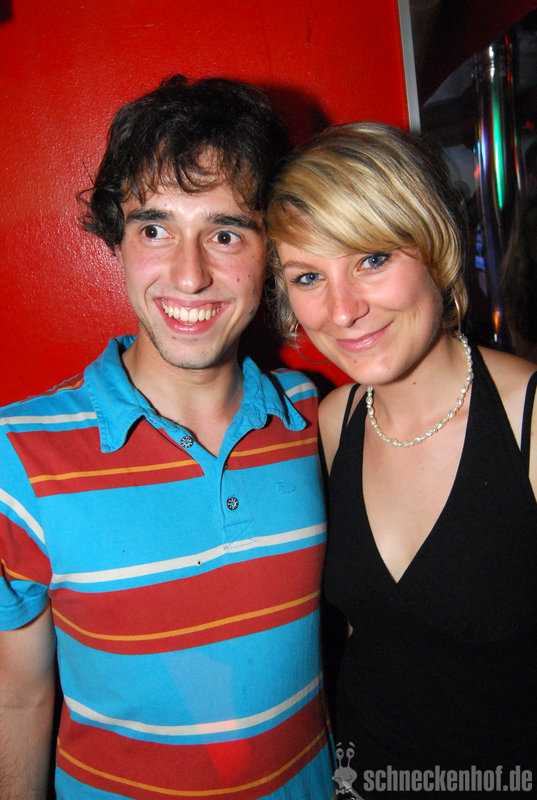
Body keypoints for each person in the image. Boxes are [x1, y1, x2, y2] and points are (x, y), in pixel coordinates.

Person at [0, 75, 334, 800]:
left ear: (271, 251)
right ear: (116, 242)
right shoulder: (17, 456)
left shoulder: (313, 418)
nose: (189, 275)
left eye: (225, 233)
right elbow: (18, 699)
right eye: (154, 230)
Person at [267, 121, 537, 798]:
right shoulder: (334, 422)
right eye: (308, 276)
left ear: (433, 247)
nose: (342, 310)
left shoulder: (529, 420)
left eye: (372, 258)